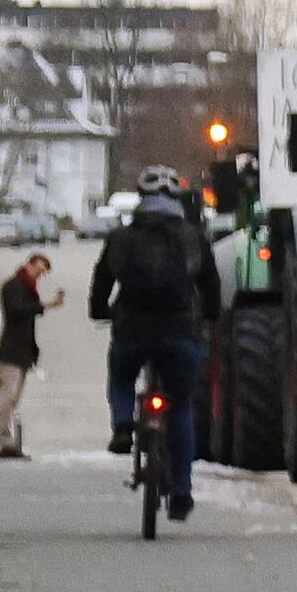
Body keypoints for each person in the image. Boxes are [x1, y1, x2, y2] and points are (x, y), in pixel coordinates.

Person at [89, 170, 213, 510]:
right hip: (180, 331)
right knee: (181, 405)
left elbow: (102, 280)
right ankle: (182, 492)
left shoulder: (120, 238)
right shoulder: (193, 236)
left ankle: (123, 425)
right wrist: (209, 317)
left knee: (122, 375)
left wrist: (99, 311)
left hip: (132, 328)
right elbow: (210, 284)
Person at [0, 254, 44, 459]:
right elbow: (17, 311)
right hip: (12, 351)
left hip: (23, 350)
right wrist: (44, 305)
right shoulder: (14, 286)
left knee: (12, 398)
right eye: (39, 270)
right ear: (29, 265)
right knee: (6, 395)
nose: (39, 275)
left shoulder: (28, 287)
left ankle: (7, 441)